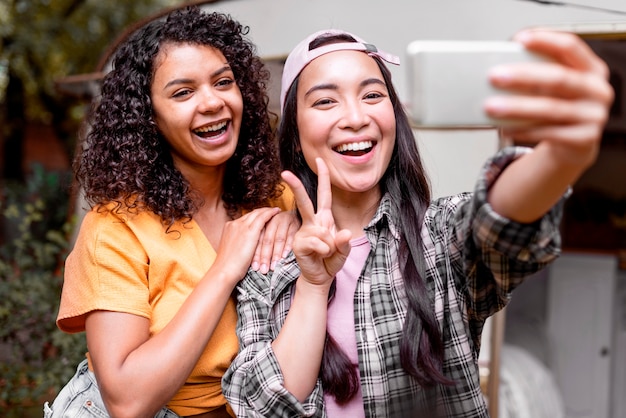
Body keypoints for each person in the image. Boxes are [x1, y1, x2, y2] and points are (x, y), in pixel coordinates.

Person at [221, 28, 613, 417]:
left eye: (373, 95)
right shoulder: (267, 258)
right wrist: (312, 283)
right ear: (295, 131)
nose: (356, 117)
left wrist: (563, 155)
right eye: (325, 101)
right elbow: (265, 408)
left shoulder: (439, 235)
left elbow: (502, 222)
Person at [44, 6, 296, 418]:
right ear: (149, 118)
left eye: (223, 82)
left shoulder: (276, 197)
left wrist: (295, 220)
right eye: (183, 92)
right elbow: (128, 401)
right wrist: (225, 269)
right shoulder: (114, 228)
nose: (212, 102)